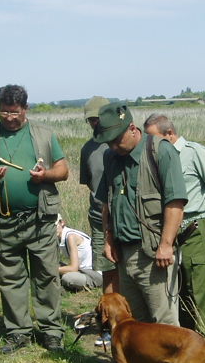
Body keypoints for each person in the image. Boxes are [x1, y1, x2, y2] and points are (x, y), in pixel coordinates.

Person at [0, 85, 69, 353]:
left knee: (46, 277)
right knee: (10, 278)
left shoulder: (44, 135)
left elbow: (63, 170)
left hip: (40, 221)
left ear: (25, 109)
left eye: (14, 112)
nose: (9, 117)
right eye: (4, 111)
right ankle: (18, 331)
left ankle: (52, 331)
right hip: (3, 224)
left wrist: (44, 175)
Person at [93, 102, 187, 327]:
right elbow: (107, 201)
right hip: (124, 255)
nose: (113, 146)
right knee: (135, 324)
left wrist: (166, 245)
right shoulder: (110, 158)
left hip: (154, 255)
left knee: (164, 325)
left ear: (133, 128)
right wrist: (108, 239)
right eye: (109, 142)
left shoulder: (160, 151)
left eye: (117, 139)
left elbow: (175, 203)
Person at [143, 113, 205, 331]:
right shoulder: (156, 157)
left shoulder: (193, 152)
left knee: (199, 290)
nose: (150, 143)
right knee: (176, 291)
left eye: (154, 138)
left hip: (193, 227)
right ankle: (185, 340)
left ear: (169, 133)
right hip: (169, 231)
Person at [79, 96, 119, 292]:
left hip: (124, 217)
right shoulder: (88, 148)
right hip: (98, 218)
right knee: (107, 270)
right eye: (91, 120)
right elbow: (89, 182)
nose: (94, 123)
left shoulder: (121, 143)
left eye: (97, 118)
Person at [56, 215, 101, 291]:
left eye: (54, 226)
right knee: (50, 264)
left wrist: (51, 270)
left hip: (93, 274)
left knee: (67, 278)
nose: (52, 229)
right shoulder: (63, 237)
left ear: (62, 223)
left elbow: (73, 268)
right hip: (82, 270)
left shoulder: (70, 237)